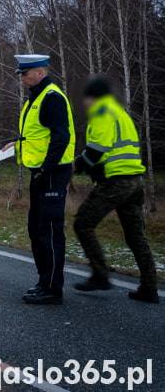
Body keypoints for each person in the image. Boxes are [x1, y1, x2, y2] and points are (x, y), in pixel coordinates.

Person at [72, 76, 159, 304]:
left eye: (87, 98)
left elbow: (96, 150)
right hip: (134, 181)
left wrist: (75, 166)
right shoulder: (121, 114)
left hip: (116, 182)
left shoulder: (101, 112)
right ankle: (149, 288)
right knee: (135, 236)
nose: (86, 103)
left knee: (83, 223)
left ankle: (100, 275)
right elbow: (117, 148)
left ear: (93, 97)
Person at [12, 54, 76, 305]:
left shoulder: (51, 97)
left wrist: (45, 171)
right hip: (39, 173)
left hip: (51, 173)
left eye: (25, 74)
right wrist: (16, 144)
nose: (22, 79)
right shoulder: (35, 98)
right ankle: (44, 282)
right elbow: (38, 135)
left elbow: (61, 138)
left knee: (49, 230)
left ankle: (52, 288)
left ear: (39, 72)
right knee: (36, 229)